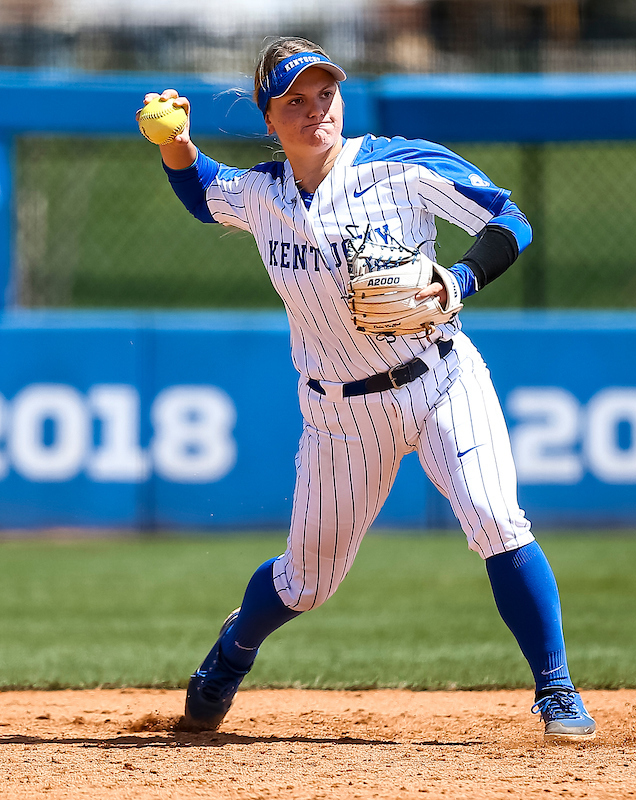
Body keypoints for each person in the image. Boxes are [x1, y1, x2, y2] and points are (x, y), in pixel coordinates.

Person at [141, 36, 595, 742]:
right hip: (340, 415)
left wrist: (460, 279)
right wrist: (175, 145)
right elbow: (203, 191)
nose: (315, 109)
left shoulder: (399, 164)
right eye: (295, 98)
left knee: (496, 520)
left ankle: (556, 690)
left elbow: (509, 218)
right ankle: (232, 652)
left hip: (443, 378)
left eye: (325, 92)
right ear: (269, 116)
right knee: (305, 583)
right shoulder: (262, 195)